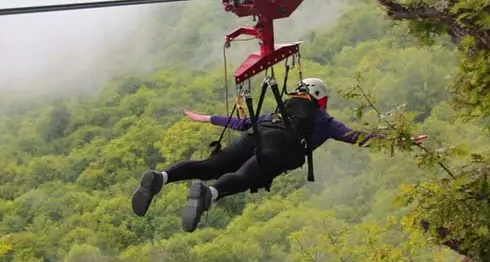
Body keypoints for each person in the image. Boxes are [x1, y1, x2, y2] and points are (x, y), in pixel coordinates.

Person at [130, 77, 420, 232]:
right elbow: (355, 137)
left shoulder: (280, 110)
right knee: (246, 177)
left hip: (257, 132)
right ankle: (210, 194)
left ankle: (162, 176)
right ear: (320, 99)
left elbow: (242, 122)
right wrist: (401, 141)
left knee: (211, 164)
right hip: (279, 148)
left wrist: (207, 118)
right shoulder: (322, 120)